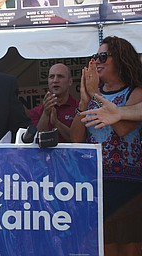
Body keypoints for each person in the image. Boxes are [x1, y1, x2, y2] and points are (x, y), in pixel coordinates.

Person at [70, 36, 142, 256]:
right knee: (105, 246)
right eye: (95, 57)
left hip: (129, 186)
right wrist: (83, 104)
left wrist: (95, 95)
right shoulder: (94, 95)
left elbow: (122, 129)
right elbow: (75, 139)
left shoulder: (135, 92)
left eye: (102, 56)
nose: (97, 61)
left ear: (120, 59)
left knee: (130, 247)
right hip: (98, 184)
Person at [29, 63, 79, 143]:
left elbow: (77, 140)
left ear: (70, 81)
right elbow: (37, 141)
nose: (55, 80)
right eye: (51, 77)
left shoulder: (80, 108)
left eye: (60, 76)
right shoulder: (36, 111)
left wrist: (56, 123)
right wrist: (45, 113)